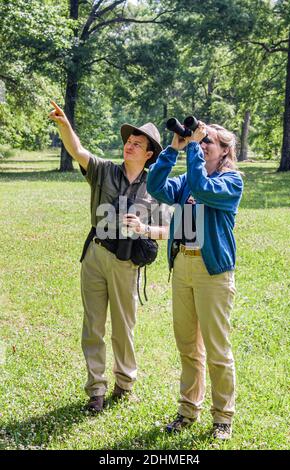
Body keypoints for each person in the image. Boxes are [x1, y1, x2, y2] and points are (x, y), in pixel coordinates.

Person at [49, 100, 167, 412]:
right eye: (128, 141)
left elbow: (170, 229)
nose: (129, 146)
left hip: (127, 264)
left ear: (149, 154)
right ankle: (96, 390)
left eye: (137, 144)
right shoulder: (104, 171)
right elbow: (78, 151)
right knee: (93, 326)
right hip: (96, 255)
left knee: (124, 327)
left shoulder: (156, 188)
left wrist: (144, 228)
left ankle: (125, 383)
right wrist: (65, 126)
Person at [147, 121, 243, 440]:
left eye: (208, 142)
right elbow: (156, 187)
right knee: (188, 347)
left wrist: (191, 151)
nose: (201, 146)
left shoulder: (231, 181)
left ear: (225, 150)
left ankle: (223, 417)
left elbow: (203, 189)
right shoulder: (190, 175)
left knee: (217, 349)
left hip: (212, 272)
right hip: (183, 267)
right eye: (199, 141)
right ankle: (188, 410)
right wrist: (173, 149)